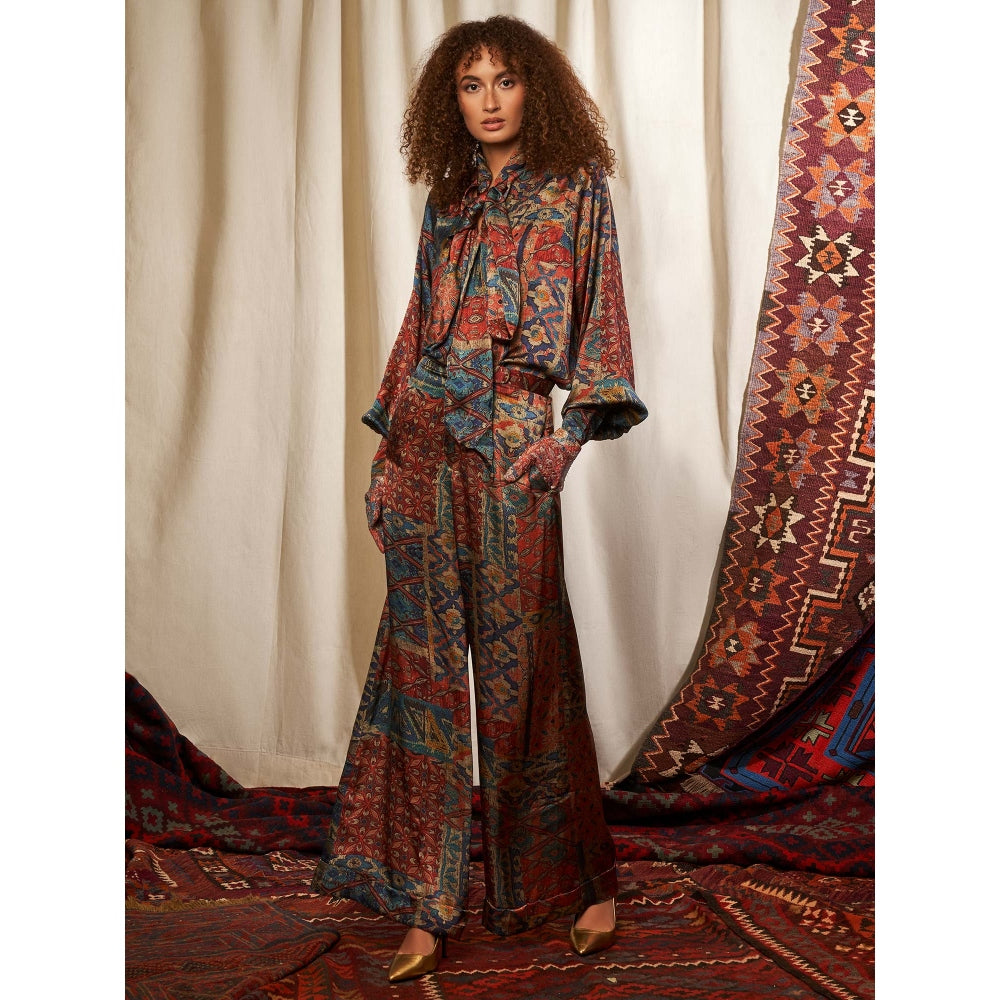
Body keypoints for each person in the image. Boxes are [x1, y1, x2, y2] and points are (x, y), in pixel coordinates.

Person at [311, 14, 647, 983]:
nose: (489, 100)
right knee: (418, 668)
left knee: (528, 667)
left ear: (535, 88)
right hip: (424, 439)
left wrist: (567, 441)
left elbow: (602, 317)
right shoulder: (448, 198)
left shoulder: (575, 189)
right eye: (470, 84)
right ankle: (424, 902)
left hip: (511, 442)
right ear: (448, 101)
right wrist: (386, 460)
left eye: (505, 80)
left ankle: (580, 882)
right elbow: (420, 322)